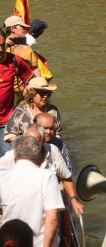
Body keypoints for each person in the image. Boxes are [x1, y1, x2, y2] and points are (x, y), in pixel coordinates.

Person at [0, 136, 65, 247]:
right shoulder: (47, 176)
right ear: (37, 156)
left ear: (15, 154)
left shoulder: (3, 178)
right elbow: (52, 217)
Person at [0, 123, 84, 216]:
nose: (30, 145)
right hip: (21, 208)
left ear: (43, 141)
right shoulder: (12, 156)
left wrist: (74, 200)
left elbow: (66, 177)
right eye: (27, 140)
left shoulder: (53, 151)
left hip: (48, 206)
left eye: (35, 141)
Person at [0, 28, 33, 157]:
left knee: (13, 159)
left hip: (5, 123)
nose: (1, 50)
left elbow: (30, 81)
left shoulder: (15, 61)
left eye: (2, 45)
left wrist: (27, 104)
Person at [4, 76, 62, 143]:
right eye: (42, 93)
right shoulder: (20, 111)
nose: (45, 96)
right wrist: (27, 144)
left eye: (48, 93)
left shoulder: (53, 110)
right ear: (32, 94)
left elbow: (57, 134)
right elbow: (10, 135)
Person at [3, 16, 41, 106]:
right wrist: (4, 46)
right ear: (12, 28)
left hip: (25, 91)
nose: (25, 30)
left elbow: (35, 67)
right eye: (22, 27)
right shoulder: (3, 47)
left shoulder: (28, 48)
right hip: (8, 92)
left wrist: (39, 86)